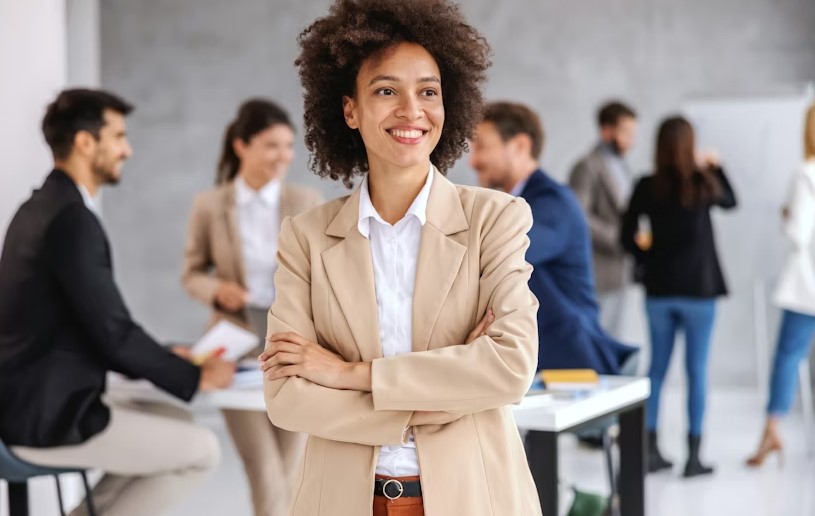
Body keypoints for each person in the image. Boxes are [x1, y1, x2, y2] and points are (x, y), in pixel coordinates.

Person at [256, 1, 541, 515]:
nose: (412, 111)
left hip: (471, 498)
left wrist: (350, 375)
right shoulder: (305, 237)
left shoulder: (495, 219)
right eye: (386, 91)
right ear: (350, 110)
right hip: (343, 501)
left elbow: (510, 366)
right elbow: (287, 397)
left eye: (428, 92)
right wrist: (448, 393)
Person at [0, 88, 235, 516]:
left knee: (178, 425)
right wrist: (194, 376)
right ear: (86, 142)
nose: (127, 149)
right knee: (202, 451)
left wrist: (168, 356)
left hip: (33, 399)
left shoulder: (39, 208)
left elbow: (91, 326)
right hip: (44, 417)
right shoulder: (71, 220)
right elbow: (113, 333)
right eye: (119, 136)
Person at [182, 98, 322, 516]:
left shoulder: (306, 200)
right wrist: (216, 289)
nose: (283, 157)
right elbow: (191, 272)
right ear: (242, 146)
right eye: (271, 145)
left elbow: (325, 275)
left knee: (294, 464)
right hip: (234, 340)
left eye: (288, 146)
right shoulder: (210, 205)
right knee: (262, 466)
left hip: (292, 341)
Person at [470, 101, 638, 376]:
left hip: (570, 366)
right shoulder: (519, 203)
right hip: (543, 363)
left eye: (482, 147)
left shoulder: (552, 203)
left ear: (520, 146)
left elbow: (494, 257)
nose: (473, 160)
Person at [620, 115, 736, 478]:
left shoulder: (646, 184)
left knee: (656, 370)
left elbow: (626, 237)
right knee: (696, 372)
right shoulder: (703, 181)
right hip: (700, 292)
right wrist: (718, 165)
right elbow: (732, 201)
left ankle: (650, 450)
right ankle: (693, 456)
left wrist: (647, 258)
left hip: (659, 292)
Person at [746, 96, 815, 468]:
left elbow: (799, 234)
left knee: (786, 357)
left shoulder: (807, 173)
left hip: (810, 288)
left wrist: (786, 215)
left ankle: (772, 432)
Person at [569, 101, 638, 338]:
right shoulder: (587, 166)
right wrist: (620, 238)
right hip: (598, 270)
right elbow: (578, 216)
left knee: (615, 334)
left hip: (621, 269)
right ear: (607, 130)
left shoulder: (622, 166)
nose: (631, 140)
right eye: (625, 132)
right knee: (599, 338)